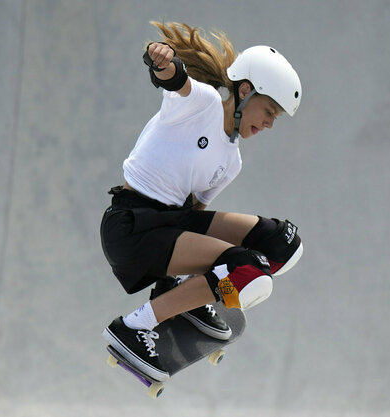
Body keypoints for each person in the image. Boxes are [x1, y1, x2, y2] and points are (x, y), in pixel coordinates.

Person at [100, 21, 303, 382]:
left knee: (282, 242)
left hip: (171, 224)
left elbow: (193, 216)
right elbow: (176, 81)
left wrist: (176, 279)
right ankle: (136, 326)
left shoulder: (232, 162)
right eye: (269, 111)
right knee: (249, 271)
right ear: (245, 91)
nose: (270, 123)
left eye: (276, 118)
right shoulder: (203, 103)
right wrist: (162, 61)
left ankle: (190, 297)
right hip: (131, 227)